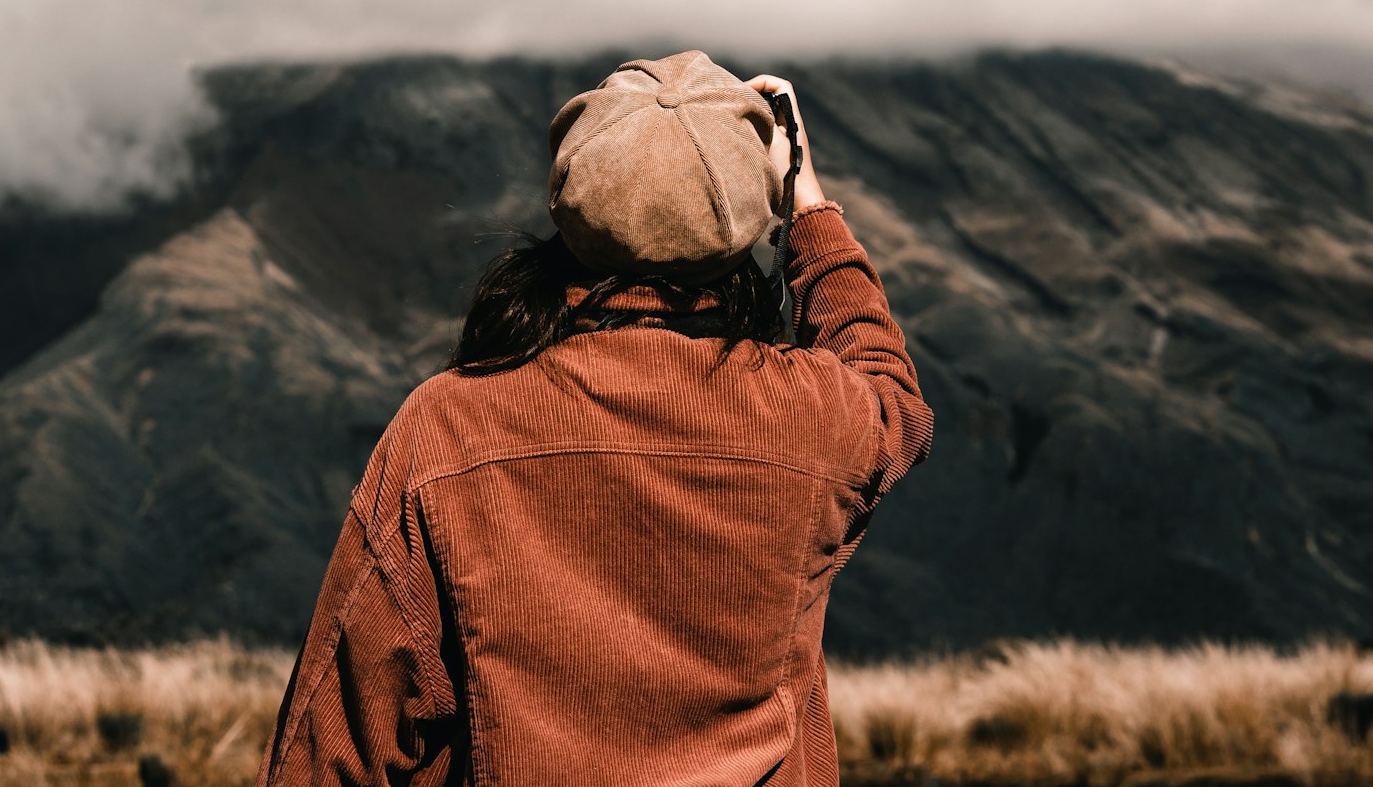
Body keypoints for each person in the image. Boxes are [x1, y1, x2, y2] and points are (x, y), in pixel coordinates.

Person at [254, 49, 934, 787]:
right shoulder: (808, 417)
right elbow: (890, 389)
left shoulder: (447, 426)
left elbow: (332, 746)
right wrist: (805, 204)